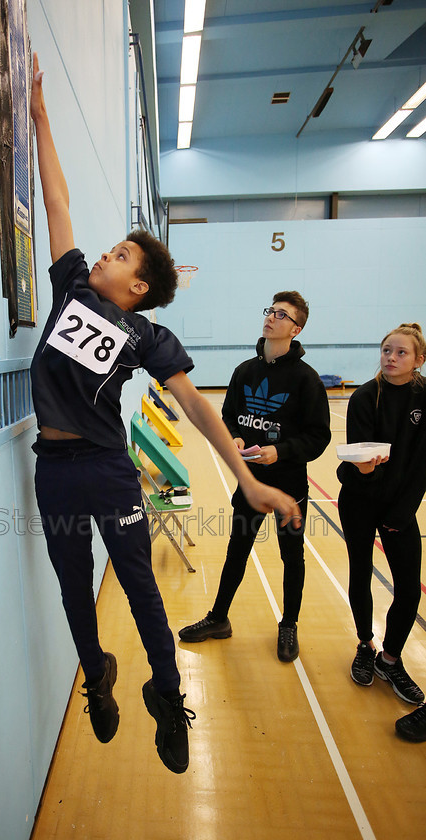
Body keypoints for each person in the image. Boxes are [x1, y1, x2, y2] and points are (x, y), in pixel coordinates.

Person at [29, 54, 301, 774]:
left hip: (107, 470)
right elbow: (56, 206)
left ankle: (166, 691)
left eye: (118, 254)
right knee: (68, 581)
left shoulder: (149, 337)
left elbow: (195, 407)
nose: (104, 255)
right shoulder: (69, 293)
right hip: (51, 469)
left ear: (138, 285)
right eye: (109, 248)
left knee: (141, 586)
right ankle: (98, 673)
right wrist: (38, 114)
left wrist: (244, 479)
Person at [179, 294, 331, 661]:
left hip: (288, 485)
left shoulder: (307, 380)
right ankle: (218, 618)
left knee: (291, 556)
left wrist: (281, 451)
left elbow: (319, 436)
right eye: (270, 311)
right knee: (237, 550)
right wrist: (234, 436)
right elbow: (229, 415)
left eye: (282, 315)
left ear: (295, 329)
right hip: (249, 481)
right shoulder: (245, 371)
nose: (271, 318)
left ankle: (289, 624)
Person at [337, 323, 426, 732]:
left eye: (401, 352)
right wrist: (367, 472)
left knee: (408, 589)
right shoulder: (362, 397)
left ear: (418, 360)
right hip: (359, 500)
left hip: (400, 510)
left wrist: (401, 515)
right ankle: (364, 644)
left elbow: (421, 466)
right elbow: (357, 460)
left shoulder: (424, 399)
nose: (390, 357)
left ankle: (390, 659)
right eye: (386, 350)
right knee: (360, 574)